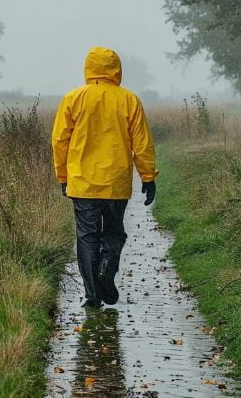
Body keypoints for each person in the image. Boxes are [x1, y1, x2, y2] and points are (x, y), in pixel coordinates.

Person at [51, 46, 158, 307]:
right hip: (115, 182)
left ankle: (92, 295)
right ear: (116, 68)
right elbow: (142, 143)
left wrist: (62, 176)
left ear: (88, 68)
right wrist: (147, 177)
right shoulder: (128, 100)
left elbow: (59, 141)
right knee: (114, 233)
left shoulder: (73, 98)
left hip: (82, 182)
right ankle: (107, 271)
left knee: (87, 236)